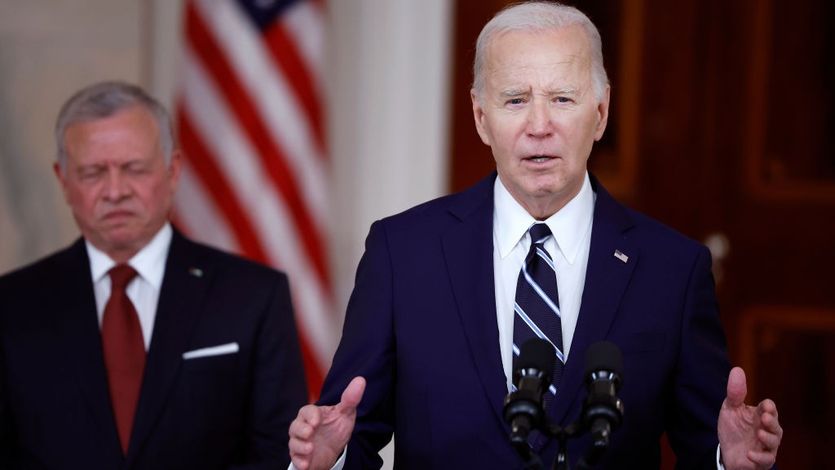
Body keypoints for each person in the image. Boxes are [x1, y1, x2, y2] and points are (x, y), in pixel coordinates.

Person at [288, 2, 782, 470]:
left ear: (601, 113)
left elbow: (703, 448)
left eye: (562, 98)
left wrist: (727, 462)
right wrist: (325, 461)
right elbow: (354, 428)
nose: (539, 126)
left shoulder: (673, 270)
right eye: (515, 100)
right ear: (482, 117)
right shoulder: (404, 254)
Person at [0, 81, 308, 469]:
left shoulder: (253, 296)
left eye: (134, 168)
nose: (115, 191)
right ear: (63, 180)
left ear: (173, 170)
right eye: (93, 172)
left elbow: (279, 455)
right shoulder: (12, 306)